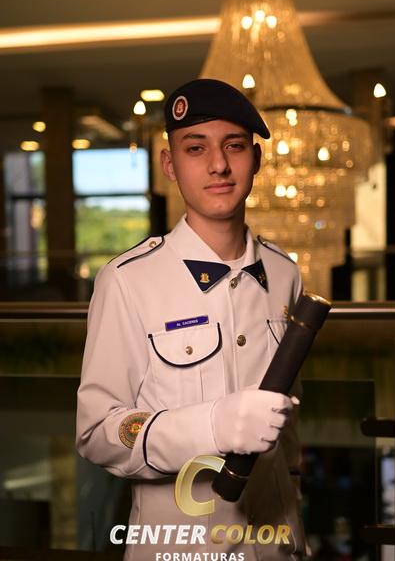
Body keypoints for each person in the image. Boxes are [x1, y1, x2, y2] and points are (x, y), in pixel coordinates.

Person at [76, 78, 307, 560]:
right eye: (196, 148)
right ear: (169, 165)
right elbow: (98, 432)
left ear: (256, 159)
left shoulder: (285, 273)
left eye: (234, 146)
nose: (218, 164)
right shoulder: (128, 281)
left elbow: (288, 437)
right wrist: (212, 426)